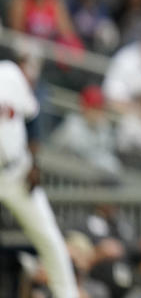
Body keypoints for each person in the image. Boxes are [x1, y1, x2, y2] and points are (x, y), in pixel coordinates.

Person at [0, 43, 80, 298]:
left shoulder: (10, 74)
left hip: (17, 173)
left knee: (48, 236)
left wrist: (35, 163)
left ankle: (66, 294)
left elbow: (32, 116)